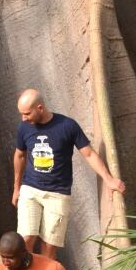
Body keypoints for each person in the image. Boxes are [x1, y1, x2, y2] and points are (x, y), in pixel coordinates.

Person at [13, 88, 125, 258]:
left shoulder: (67, 126)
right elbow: (19, 155)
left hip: (58, 193)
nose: (23, 118)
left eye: (27, 114)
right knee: (26, 239)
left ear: (40, 108)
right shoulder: (24, 128)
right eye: (21, 114)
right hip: (30, 189)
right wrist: (16, 187)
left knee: (49, 246)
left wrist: (108, 179)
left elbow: (89, 154)